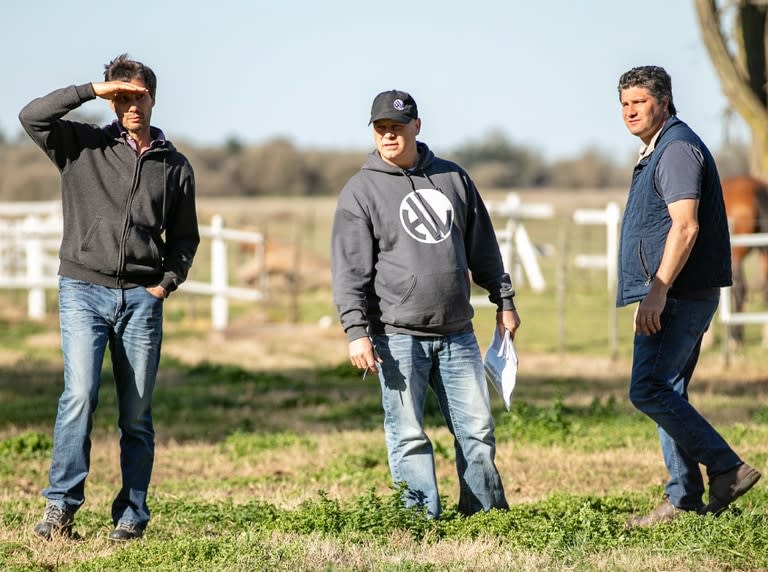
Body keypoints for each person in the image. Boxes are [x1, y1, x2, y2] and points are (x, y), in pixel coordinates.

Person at [19, 54, 199, 541]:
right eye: (121, 96)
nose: (131, 104)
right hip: (83, 289)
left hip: (141, 299)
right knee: (78, 397)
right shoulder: (81, 145)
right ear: (111, 98)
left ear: (153, 97)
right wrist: (91, 90)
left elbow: (184, 238)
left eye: (138, 94)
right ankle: (61, 507)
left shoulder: (174, 166)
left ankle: (132, 515)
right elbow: (31, 116)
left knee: (136, 415)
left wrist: (166, 283)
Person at [331, 89, 519, 518]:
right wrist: (356, 332)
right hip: (395, 336)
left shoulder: (454, 179)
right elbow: (350, 270)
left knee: (477, 431)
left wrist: (504, 299)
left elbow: (484, 249)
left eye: (397, 128)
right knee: (408, 434)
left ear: (416, 126)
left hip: (458, 334)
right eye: (381, 129)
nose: (389, 136)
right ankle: (419, 522)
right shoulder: (360, 191)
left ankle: (485, 517)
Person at [616, 66, 761, 528]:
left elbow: (686, 226)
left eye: (639, 101)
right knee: (668, 390)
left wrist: (657, 290)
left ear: (664, 101)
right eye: (623, 103)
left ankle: (726, 468)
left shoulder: (676, 149)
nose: (630, 111)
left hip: (676, 294)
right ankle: (684, 498)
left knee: (648, 388)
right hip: (679, 292)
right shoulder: (661, 147)